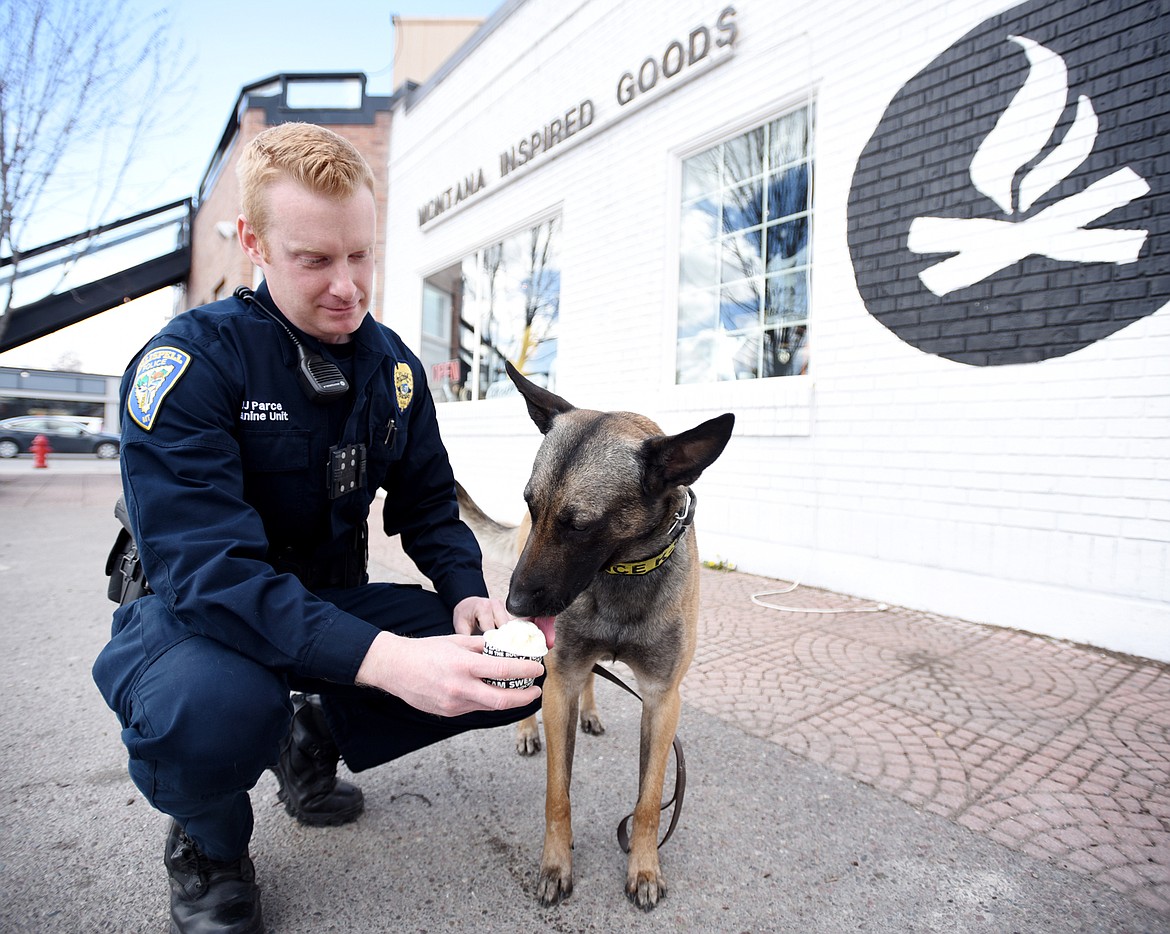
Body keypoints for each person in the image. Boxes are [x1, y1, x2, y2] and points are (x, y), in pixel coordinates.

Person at [92, 122, 548, 934]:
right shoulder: (192, 366)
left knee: (511, 670)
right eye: (314, 260)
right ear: (254, 244)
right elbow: (210, 576)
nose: (348, 286)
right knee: (214, 710)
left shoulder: (394, 372)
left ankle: (310, 735)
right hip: (197, 617)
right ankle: (211, 844)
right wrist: (392, 665)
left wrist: (467, 593)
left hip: (324, 601)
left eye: (361, 255)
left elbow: (430, 508)